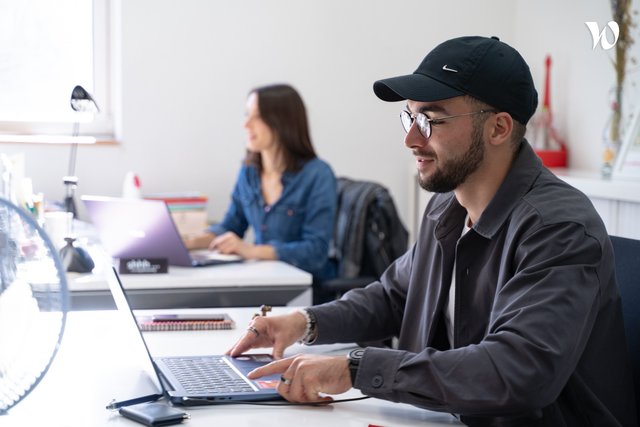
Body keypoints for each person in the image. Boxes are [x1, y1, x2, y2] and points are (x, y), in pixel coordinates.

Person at [227, 36, 637, 426]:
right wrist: (302, 323)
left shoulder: (558, 228)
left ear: (498, 128)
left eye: (431, 120)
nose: (410, 138)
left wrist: (355, 368)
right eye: (410, 116)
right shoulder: (448, 204)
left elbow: (516, 371)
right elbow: (394, 296)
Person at [185, 84, 337, 289]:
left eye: (256, 117)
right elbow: (231, 226)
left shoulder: (318, 175)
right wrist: (187, 242)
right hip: (263, 283)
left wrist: (251, 250)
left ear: (282, 122)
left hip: (304, 291)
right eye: (247, 115)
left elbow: (315, 252)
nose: (246, 124)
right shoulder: (249, 172)